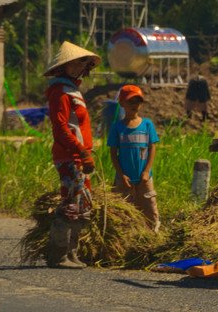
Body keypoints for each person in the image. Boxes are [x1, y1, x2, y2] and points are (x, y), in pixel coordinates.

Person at [43, 41, 100, 269]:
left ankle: (72, 252)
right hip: (70, 156)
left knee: (82, 206)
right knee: (70, 204)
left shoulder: (73, 90)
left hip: (81, 156)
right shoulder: (59, 91)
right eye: (76, 63)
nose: (79, 68)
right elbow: (61, 128)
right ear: (65, 66)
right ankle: (58, 255)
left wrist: (86, 152)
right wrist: (81, 151)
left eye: (82, 64)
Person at [107, 84, 161, 231]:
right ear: (122, 103)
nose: (134, 105)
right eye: (130, 101)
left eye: (137, 101)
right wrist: (121, 174)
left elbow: (152, 148)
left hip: (144, 178)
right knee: (123, 213)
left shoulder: (147, 125)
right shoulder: (117, 127)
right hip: (125, 180)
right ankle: (127, 239)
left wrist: (146, 171)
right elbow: (113, 153)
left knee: (150, 211)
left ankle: (152, 237)